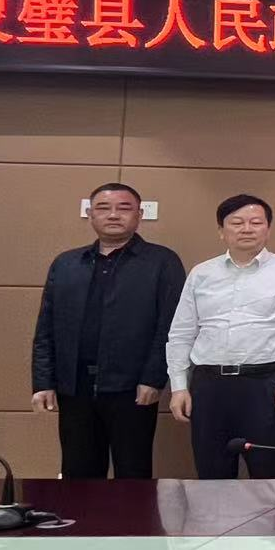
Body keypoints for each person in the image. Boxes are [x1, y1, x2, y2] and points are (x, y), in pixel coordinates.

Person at [30, 182, 185, 479]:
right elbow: (46, 326)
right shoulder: (66, 263)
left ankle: (131, 515)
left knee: (133, 474)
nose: (113, 215)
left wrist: (154, 378)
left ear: (139, 215)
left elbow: (170, 326)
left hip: (133, 389)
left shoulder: (162, 262)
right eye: (103, 208)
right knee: (77, 474)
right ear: (90, 214)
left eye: (124, 208)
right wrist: (43, 381)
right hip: (74, 387)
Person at [166, 194, 275, 480]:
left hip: (265, 385)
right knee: (212, 476)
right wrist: (178, 387)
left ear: (268, 229)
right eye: (236, 223)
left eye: (255, 222)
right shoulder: (201, 273)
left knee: (267, 476)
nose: (246, 229)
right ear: (221, 231)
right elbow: (181, 333)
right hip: (209, 386)